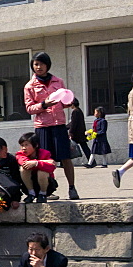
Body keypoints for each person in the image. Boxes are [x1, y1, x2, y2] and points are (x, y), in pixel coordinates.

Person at [23, 52, 79, 200]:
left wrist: (69, 100)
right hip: (42, 127)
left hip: (59, 125)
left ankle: (72, 188)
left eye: (41, 64)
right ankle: (48, 189)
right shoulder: (29, 86)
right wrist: (43, 104)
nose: (38, 67)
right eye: (35, 64)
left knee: (66, 157)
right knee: (46, 160)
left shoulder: (58, 82)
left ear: (47, 65)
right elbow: (29, 108)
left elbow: (64, 102)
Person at [15, 132, 56, 203]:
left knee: (42, 171)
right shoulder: (20, 154)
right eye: (22, 145)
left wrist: (36, 163)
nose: (24, 148)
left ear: (36, 145)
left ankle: (42, 194)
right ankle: (31, 193)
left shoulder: (45, 153)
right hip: (29, 183)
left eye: (26, 145)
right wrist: (42, 162)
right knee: (23, 168)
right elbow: (24, 163)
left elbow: (52, 167)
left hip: (46, 184)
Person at [67, 98, 92, 168]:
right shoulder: (79, 111)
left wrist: (70, 132)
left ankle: (65, 163)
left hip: (77, 134)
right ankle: (92, 161)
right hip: (80, 133)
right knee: (85, 147)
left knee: (68, 147)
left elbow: (73, 123)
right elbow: (72, 123)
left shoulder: (75, 111)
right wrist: (66, 127)